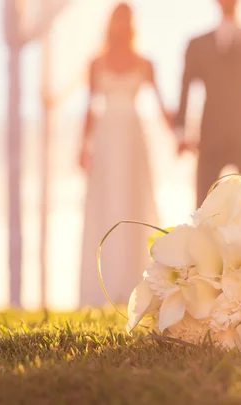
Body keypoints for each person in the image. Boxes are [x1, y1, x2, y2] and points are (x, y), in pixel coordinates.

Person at [78, 3, 172, 308]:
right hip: (106, 140)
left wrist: (181, 136)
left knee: (135, 205)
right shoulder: (96, 63)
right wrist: (83, 145)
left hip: (133, 140)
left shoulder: (146, 64)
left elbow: (162, 107)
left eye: (126, 19)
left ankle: (138, 286)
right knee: (104, 206)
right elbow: (90, 108)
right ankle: (103, 287)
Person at [175, 0, 241, 207]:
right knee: (204, 208)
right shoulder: (197, 44)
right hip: (209, 138)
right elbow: (185, 89)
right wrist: (181, 133)